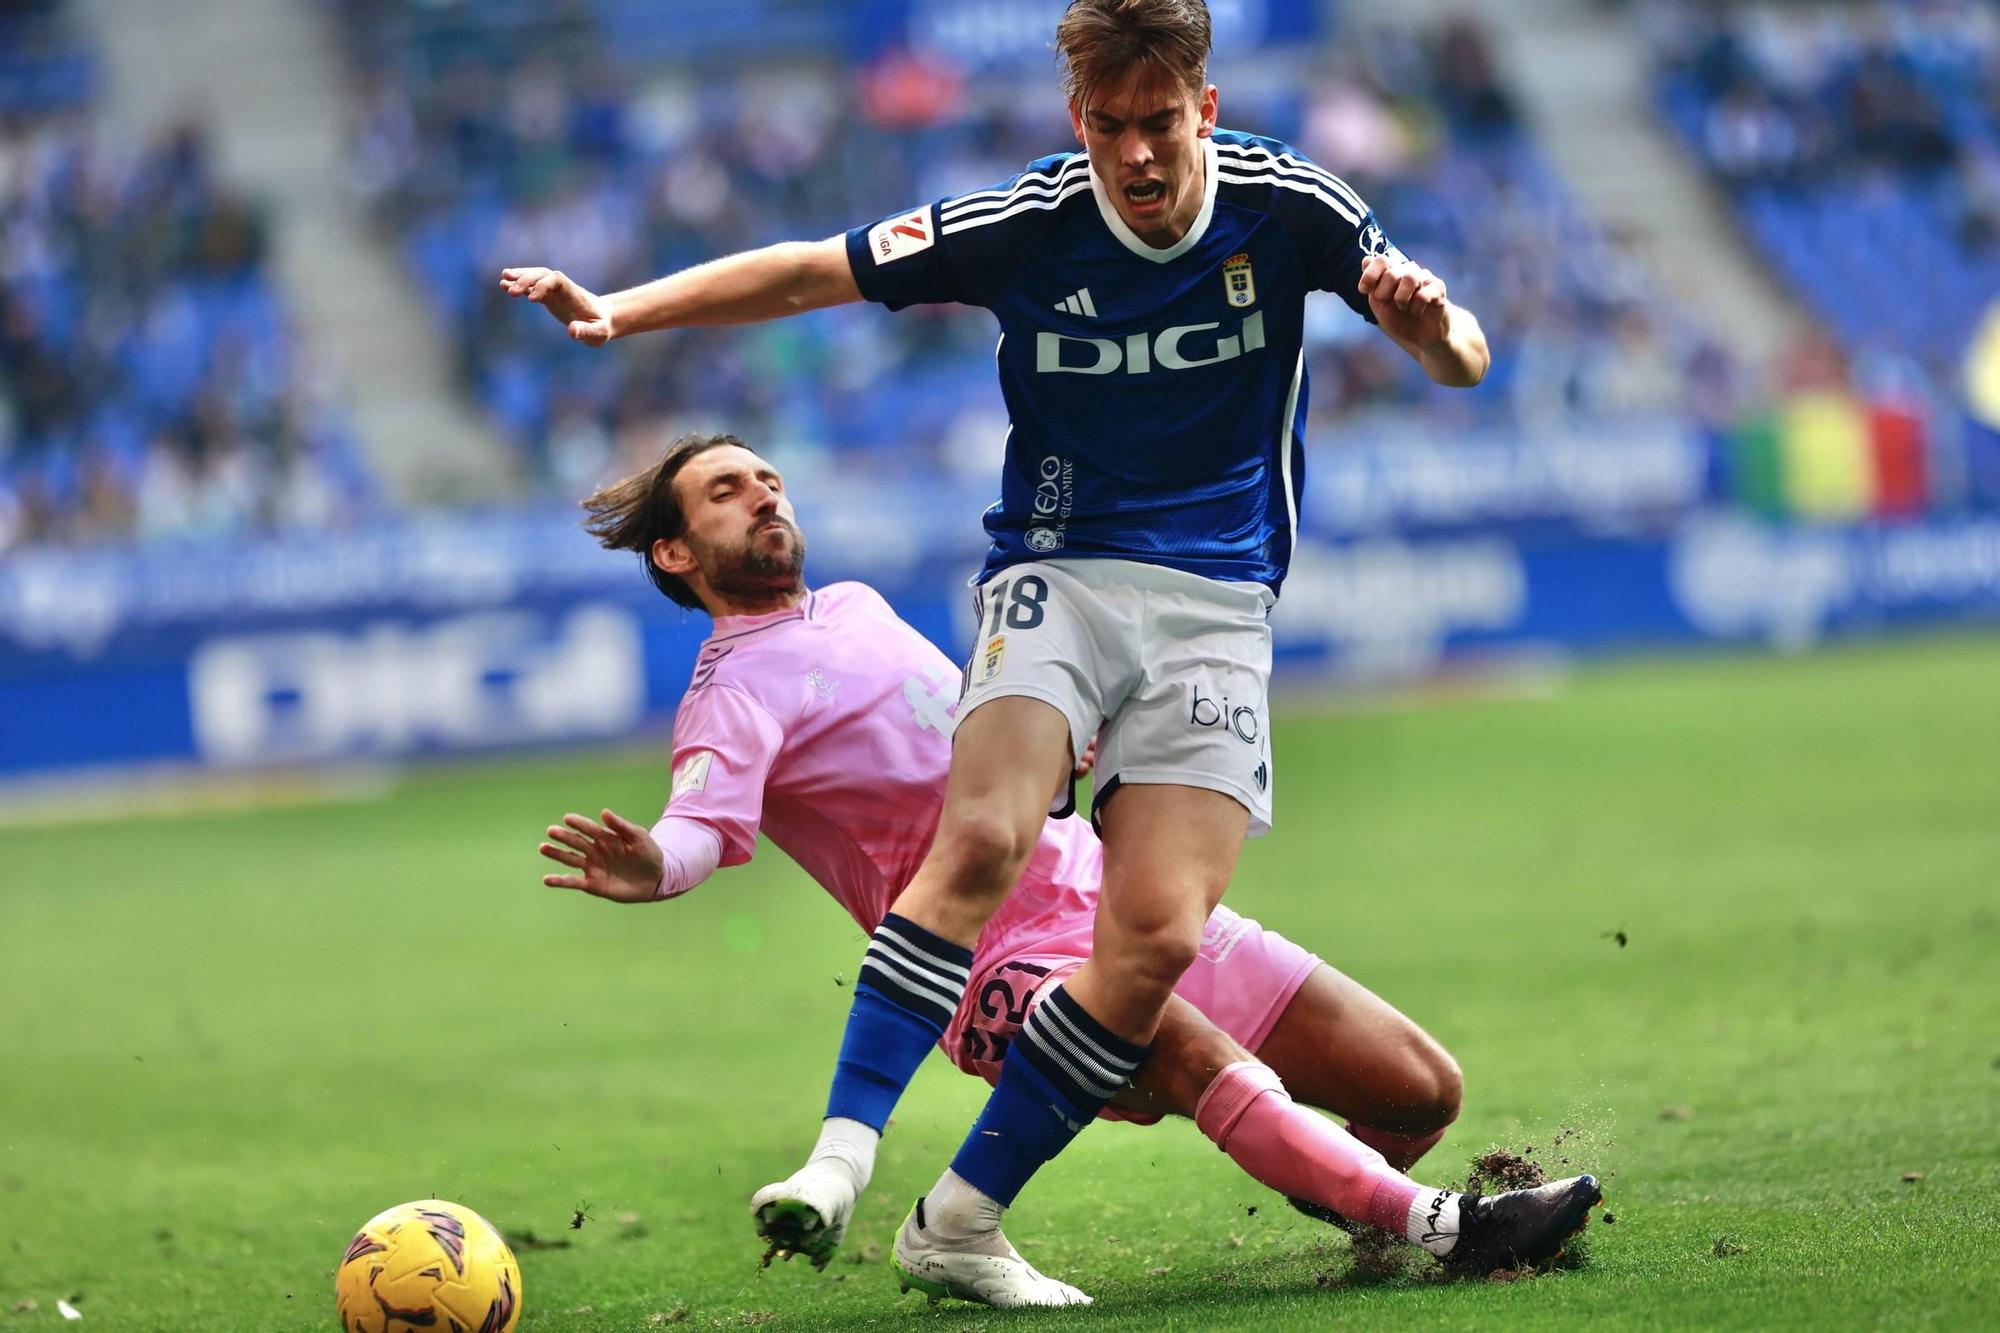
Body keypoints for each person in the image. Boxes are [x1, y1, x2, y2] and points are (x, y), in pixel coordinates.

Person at [502, 0, 1526, 1301]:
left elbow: (1466, 359)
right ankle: (854, 1162)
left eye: (1161, 123)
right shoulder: (1022, 223)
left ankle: (995, 1197)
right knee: (978, 840)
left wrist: (1430, 325)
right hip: (1060, 570)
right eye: (1111, 129)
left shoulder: (1295, 206)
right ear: (1076, 122)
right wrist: (622, 314)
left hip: (1219, 605)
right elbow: (816, 268)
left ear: (1205, 108)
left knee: (1304, 1027)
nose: (1139, 157)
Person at [534, 433, 1603, 1306]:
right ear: (676, 553)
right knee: (1184, 1049)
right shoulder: (729, 688)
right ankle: (1441, 1225)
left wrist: (1053, 752)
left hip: (1103, 881)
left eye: (769, 481)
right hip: (988, 955)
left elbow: (979, 747)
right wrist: (654, 864)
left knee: (1418, 1090)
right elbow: (696, 824)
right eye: (725, 494)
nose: (764, 499)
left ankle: (1348, 1183)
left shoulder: (851, 607)